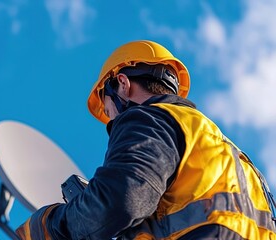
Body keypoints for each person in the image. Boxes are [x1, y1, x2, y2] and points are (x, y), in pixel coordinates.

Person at [15, 40, 276, 239]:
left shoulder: (151, 119)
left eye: (108, 111)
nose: (112, 121)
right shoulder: (230, 156)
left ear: (123, 83)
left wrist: (48, 226)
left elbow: (119, 203)